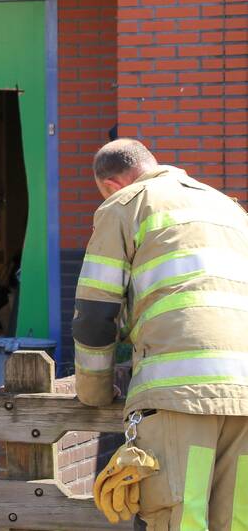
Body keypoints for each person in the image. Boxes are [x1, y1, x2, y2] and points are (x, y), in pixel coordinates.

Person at [73, 138, 248, 530]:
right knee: (236, 520)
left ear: (111, 185)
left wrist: (95, 392)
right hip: (244, 396)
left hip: (180, 396)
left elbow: (95, 316)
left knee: (181, 518)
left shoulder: (125, 205)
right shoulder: (230, 209)